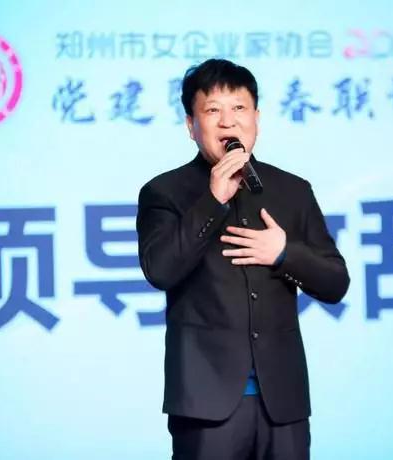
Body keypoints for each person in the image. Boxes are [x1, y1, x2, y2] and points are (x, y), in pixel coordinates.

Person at [136, 58, 350, 460]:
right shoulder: (164, 192)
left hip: (282, 404)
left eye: (239, 108)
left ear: (256, 119)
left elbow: (336, 283)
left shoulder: (292, 190)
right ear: (191, 125)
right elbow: (160, 270)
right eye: (212, 110)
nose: (227, 121)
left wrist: (284, 253)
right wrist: (213, 199)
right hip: (205, 405)